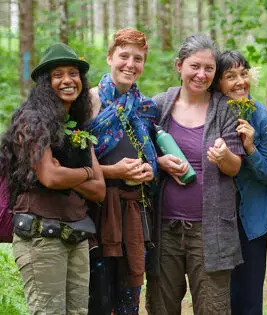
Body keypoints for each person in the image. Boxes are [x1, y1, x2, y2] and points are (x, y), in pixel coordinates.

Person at [0, 43, 105, 314]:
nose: (68, 80)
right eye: (58, 74)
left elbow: (99, 190)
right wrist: (85, 172)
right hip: (41, 239)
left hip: (77, 237)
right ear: (46, 83)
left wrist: (70, 174)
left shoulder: (78, 127)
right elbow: (49, 176)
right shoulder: (30, 120)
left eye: (74, 73)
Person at [146, 34, 245, 315]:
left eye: (209, 68)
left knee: (213, 307)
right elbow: (142, 154)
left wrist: (224, 157)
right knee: (161, 307)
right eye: (194, 66)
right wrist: (160, 161)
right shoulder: (159, 105)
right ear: (179, 66)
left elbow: (235, 167)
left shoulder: (225, 108)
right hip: (163, 227)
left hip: (210, 230)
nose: (201, 75)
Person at [87, 28, 158, 315]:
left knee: (130, 295)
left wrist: (151, 171)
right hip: (95, 212)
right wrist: (111, 171)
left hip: (134, 212)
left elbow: (153, 156)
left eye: (138, 58)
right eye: (124, 56)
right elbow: (71, 163)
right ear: (109, 57)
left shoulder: (146, 107)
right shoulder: (89, 101)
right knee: (98, 296)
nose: (130, 64)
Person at [214, 50, 267, 315]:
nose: (240, 81)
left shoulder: (262, 117)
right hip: (217, 218)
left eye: (244, 74)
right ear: (218, 82)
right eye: (230, 76)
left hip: (251, 218)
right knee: (219, 295)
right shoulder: (211, 114)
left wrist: (250, 147)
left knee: (249, 296)